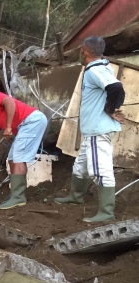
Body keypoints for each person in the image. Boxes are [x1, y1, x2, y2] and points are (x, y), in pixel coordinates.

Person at [55, 36, 125, 222]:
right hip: (92, 132)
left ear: (84, 51)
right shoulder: (100, 68)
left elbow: (117, 87)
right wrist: (112, 107)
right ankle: (76, 196)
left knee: (100, 170)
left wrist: (110, 109)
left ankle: (106, 212)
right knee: (80, 167)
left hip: (97, 130)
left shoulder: (95, 70)